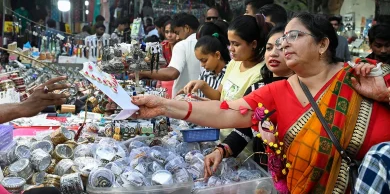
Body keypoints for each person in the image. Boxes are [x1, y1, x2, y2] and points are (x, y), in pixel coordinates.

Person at [131, 12, 390, 194]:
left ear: (322, 44)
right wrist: (164, 105)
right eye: (281, 39)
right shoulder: (277, 91)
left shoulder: (365, 76)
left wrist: (385, 95)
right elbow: (224, 112)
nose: (284, 44)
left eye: (294, 36)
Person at [205, 24, 294, 168]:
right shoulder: (257, 88)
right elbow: (244, 129)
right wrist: (221, 150)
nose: (273, 53)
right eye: (269, 48)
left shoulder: (303, 89)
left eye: (282, 48)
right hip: (264, 168)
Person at [182, 15, 271, 101]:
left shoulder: (261, 73)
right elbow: (219, 96)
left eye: (236, 44)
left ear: (253, 44)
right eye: (230, 43)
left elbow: (242, 110)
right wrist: (203, 85)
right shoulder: (234, 63)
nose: (231, 49)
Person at [138, 13, 201, 96]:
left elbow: (172, 73)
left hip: (185, 100)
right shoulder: (203, 43)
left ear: (186, 28)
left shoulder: (182, 45)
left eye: (177, 32)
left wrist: (142, 72)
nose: (177, 37)